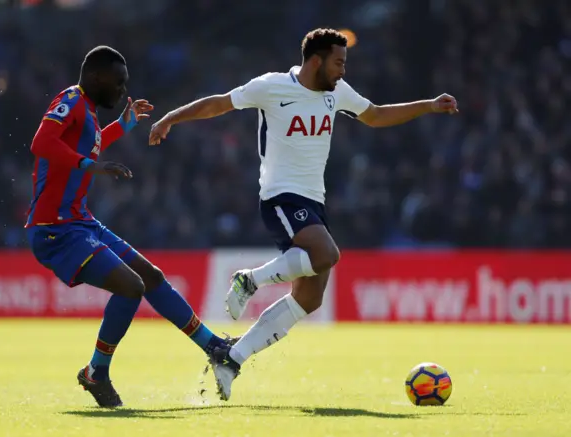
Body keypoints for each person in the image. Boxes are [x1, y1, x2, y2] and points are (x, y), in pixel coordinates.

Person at [149, 28, 459, 401]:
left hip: (313, 202)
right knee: (327, 255)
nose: (344, 70)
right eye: (339, 62)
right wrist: (170, 117)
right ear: (317, 60)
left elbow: (375, 115)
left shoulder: (336, 93)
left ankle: (231, 358)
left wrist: (427, 105)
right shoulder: (272, 86)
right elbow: (219, 103)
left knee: (309, 300)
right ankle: (249, 280)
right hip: (280, 197)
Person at [25, 45, 233, 408]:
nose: (122, 92)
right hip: (54, 230)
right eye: (118, 84)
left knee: (150, 276)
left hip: (80, 221)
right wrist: (89, 167)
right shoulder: (70, 100)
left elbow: (90, 143)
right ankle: (97, 372)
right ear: (96, 77)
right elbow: (41, 142)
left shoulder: (86, 111)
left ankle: (213, 347)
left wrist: (122, 126)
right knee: (130, 287)